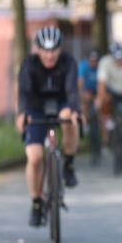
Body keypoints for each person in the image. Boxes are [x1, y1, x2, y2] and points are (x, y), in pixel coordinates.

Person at [15, 26, 80, 227]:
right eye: (46, 50)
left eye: (54, 50)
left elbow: (72, 91)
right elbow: (24, 93)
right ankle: (36, 202)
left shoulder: (68, 63)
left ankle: (68, 163)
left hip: (61, 105)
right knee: (35, 157)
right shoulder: (29, 64)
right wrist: (23, 114)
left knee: (70, 119)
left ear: (60, 49)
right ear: (38, 49)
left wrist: (74, 110)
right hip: (36, 109)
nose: (50, 55)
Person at [78, 48, 100, 131]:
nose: (93, 63)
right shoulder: (83, 66)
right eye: (92, 60)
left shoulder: (100, 67)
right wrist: (81, 94)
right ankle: (85, 124)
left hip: (97, 91)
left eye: (95, 61)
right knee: (85, 102)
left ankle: (105, 135)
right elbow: (80, 82)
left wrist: (99, 96)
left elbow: (102, 83)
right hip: (86, 91)